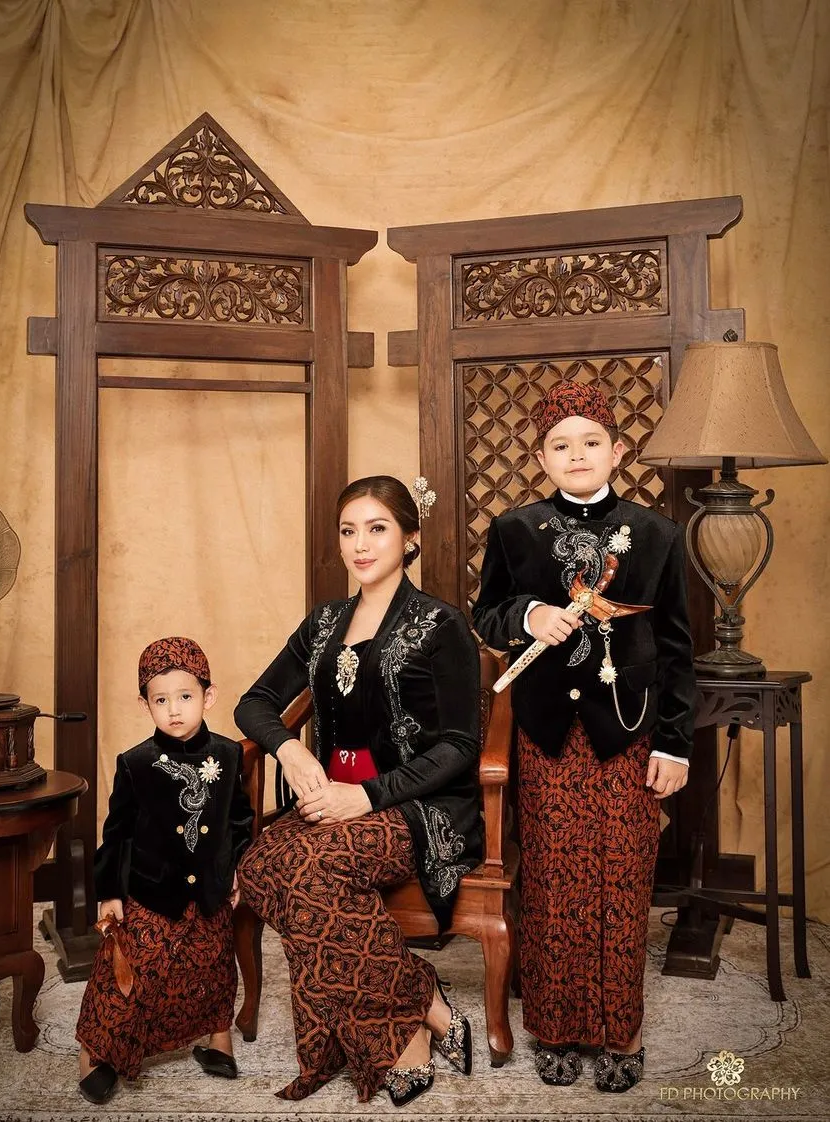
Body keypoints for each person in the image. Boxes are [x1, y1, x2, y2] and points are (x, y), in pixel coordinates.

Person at [472, 381, 696, 1093]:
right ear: (542, 458)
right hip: (547, 735)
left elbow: (678, 649)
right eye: (561, 445)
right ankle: (556, 1027)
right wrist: (528, 616)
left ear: (617, 451)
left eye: (591, 442)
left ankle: (622, 1031)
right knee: (552, 880)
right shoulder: (514, 529)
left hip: (628, 733)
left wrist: (675, 744)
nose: (577, 454)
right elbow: (486, 615)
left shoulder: (656, 534)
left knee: (622, 880)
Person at [235, 475, 482, 1106]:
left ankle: (405, 1042)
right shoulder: (323, 623)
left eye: (377, 529)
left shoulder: (441, 624)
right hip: (333, 797)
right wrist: (290, 749)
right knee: (260, 865)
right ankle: (424, 997)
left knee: (310, 870)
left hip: (417, 804)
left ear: (410, 538)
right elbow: (254, 703)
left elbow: (460, 744)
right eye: (349, 531)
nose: (360, 545)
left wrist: (368, 796)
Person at [75, 637, 254, 1104]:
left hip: (211, 889)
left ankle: (218, 1039)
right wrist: (110, 892)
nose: (174, 710)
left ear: (209, 697)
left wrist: (237, 868)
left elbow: (239, 819)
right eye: (161, 700)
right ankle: (96, 1051)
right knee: (132, 970)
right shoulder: (135, 763)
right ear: (145, 704)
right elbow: (116, 833)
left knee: (213, 968)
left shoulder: (228, 754)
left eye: (186, 696)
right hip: (152, 891)